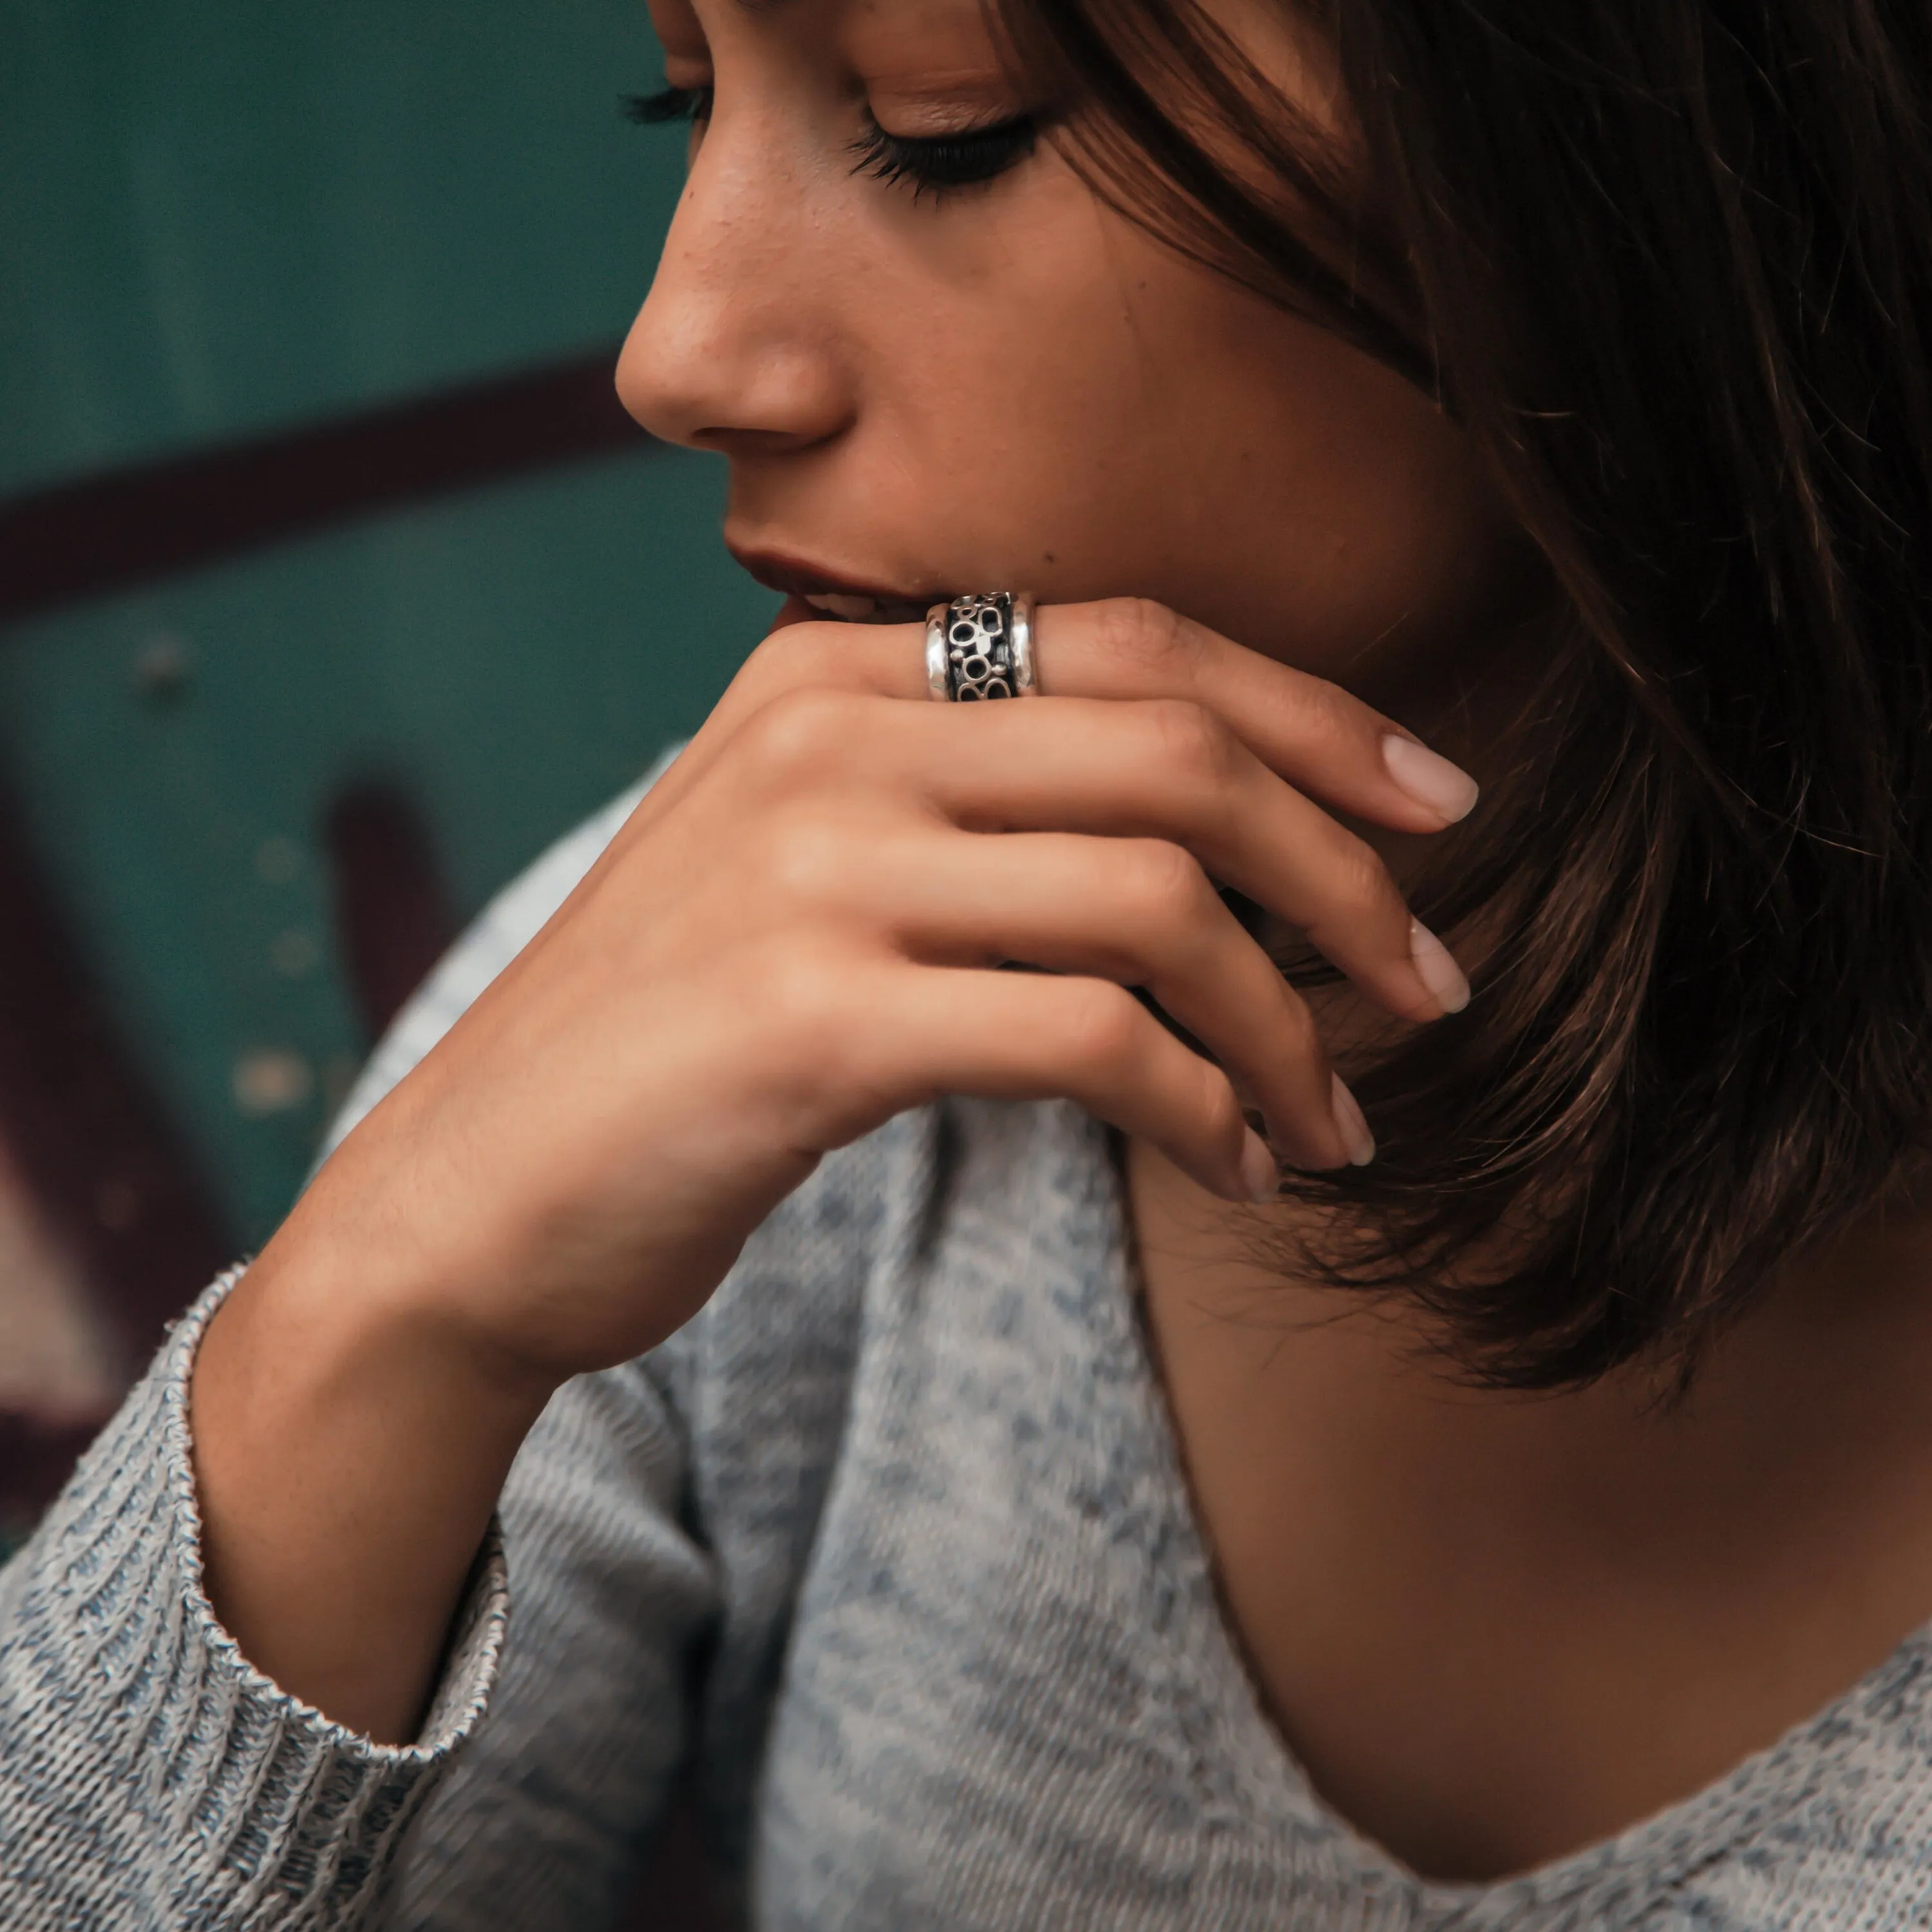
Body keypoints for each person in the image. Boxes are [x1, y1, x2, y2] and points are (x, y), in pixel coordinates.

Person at [6, 0, 1932, 1924]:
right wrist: (371, 1323)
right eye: (677, 97)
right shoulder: (749, 1018)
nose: (682, 354)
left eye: (950, 124)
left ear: (1664, 175)